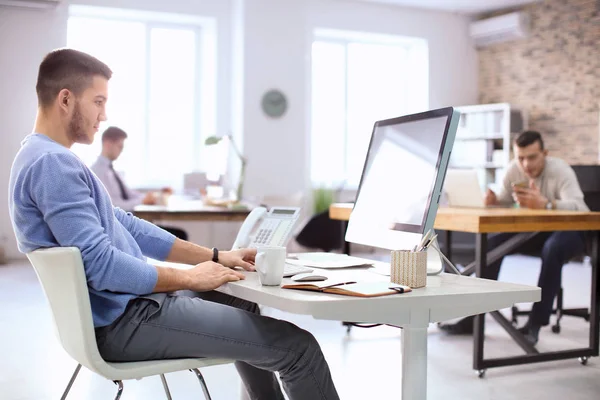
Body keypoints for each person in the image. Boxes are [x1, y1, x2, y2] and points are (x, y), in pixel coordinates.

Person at [8, 48, 339, 400]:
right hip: (125, 321)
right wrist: (188, 277)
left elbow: (127, 224)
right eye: (98, 102)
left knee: (241, 303)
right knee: (300, 349)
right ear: (65, 99)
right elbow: (102, 266)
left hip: (121, 312)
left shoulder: (43, 157)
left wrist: (213, 256)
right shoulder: (52, 166)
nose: (104, 116)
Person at [439, 131, 588, 345]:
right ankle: (474, 319)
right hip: (535, 230)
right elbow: (504, 199)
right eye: (520, 157)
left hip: (572, 231)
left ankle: (534, 324)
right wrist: (493, 201)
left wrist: (547, 204)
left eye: (532, 157)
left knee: (553, 248)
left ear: (545, 153)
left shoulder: (560, 170)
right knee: (491, 246)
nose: (526, 164)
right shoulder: (514, 170)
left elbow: (580, 207)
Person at [90, 126, 188, 240]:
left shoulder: (113, 170)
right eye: (119, 146)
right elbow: (113, 206)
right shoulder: (98, 172)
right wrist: (142, 200)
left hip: (129, 223)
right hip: (122, 229)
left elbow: (130, 194)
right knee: (180, 236)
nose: (121, 151)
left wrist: (156, 195)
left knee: (179, 235)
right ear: (108, 144)